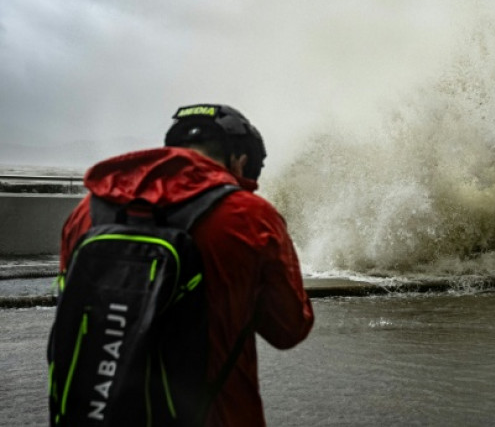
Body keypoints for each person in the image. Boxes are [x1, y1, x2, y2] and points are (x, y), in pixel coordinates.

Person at [58, 103, 314, 426]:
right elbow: (289, 328)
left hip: (101, 414)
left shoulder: (86, 212)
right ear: (240, 161)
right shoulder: (250, 218)